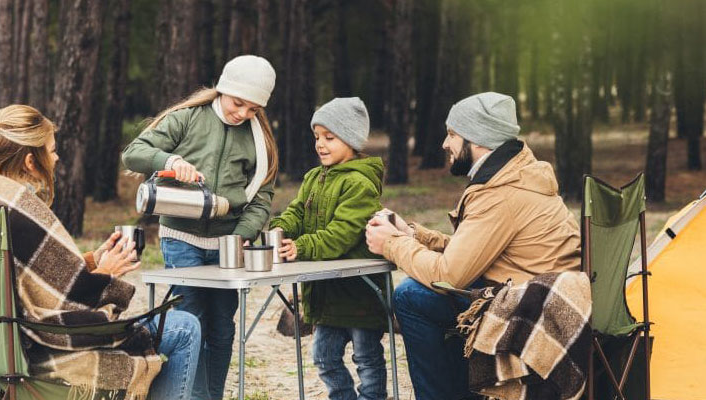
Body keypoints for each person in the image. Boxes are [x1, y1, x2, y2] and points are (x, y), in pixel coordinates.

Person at [0, 104, 200, 400]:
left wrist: (90, 260)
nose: (57, 157)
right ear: (30, 162)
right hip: (47, 348)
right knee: (185, 327)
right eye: (51, 150)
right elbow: (68, 302)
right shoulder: (20, 214)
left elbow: (28, 280)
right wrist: (106, 273)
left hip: (3, 347)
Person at [365, 92, 582, 400]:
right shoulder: (517, 174)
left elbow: (450, 275)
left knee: (411, 296)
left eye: (453, 134)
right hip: (541, 294)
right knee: (427, 292)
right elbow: (479, 249)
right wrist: (413, 235)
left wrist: (392, 244)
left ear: (478, 140)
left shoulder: (500, 193)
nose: (444, 144)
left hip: (531, 312)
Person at [121, 55, 278, 399]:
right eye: (238, 103)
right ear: (223, 90)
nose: (243, 114)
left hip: (229, 243)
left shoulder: (259, 139)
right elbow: (134, 153)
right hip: (181, 240)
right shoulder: (187, 119)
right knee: (191, 324)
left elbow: (262, 197)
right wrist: (171, 161)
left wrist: (240, 238)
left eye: (253, 109)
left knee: (222, 329)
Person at [271, 97, 388, 400]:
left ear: (350, 139)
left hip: (359, 293)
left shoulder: (360, 184)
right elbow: (297, 211)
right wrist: (280, 229)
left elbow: (341, 234)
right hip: (326, 294)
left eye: (329, 137)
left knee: (366, 358)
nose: (320, 144)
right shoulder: (313, 177)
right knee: (323, 356)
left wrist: (303, 246)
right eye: (316, 137)